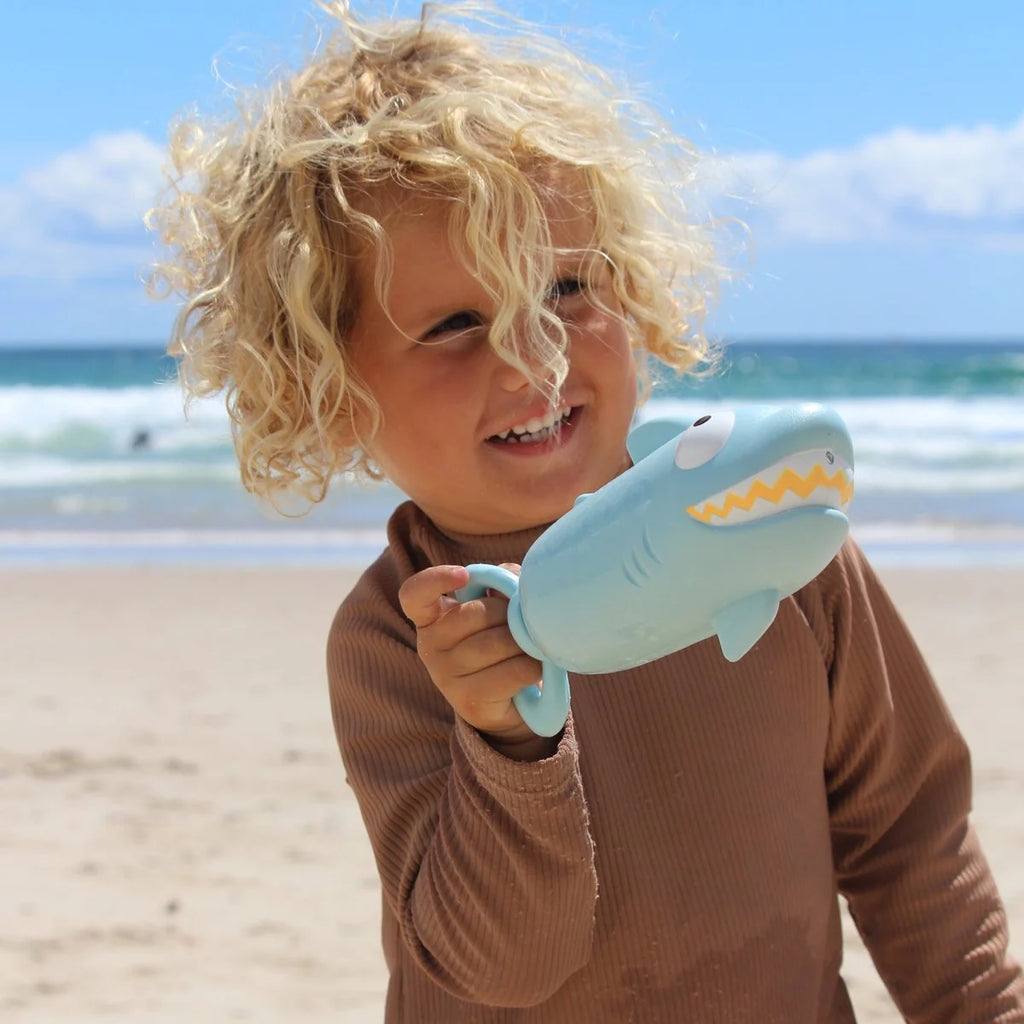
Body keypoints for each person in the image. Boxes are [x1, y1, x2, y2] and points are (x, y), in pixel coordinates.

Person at [148, 2, 1024, 1020]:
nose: (533, 357)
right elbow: (501, 968)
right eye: (456, 323)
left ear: (637, 290)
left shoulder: (770, 538)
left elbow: (905, 827)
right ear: (329, 390)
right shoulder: (398, 639)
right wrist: (510, 745)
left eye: (565, 286)